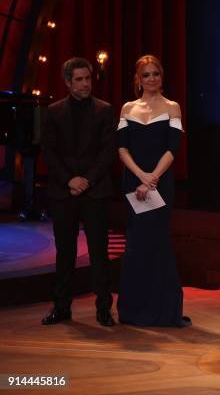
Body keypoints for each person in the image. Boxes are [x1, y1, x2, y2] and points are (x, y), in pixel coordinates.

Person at [41, 57, 116, 327]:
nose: (85, 84)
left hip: (94, 191)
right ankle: (61, 307)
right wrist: (69, 180)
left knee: (99, 252)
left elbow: (108, 152)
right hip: (64, 192)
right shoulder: (53, 111)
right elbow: (48, 152)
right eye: (80, 79)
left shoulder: (105, 110)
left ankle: (104, 309)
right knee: (65, 252)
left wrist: (87, 180)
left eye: (88, 78)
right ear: (68, 82)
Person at [117, 55, 190, 327]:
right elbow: (122, 149)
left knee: (158, 243)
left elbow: (172, 149)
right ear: (138, 79)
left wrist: (152, 179)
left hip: (160, 184)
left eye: (155, 74)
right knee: (136, 245)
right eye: (146, 75)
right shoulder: (127, 108)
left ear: (162, 77)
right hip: (133, 184)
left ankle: (164, 312)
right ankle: (134, 311)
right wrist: (140, 177)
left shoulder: (172, 107)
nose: (151, 79)